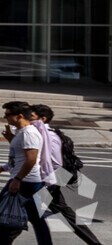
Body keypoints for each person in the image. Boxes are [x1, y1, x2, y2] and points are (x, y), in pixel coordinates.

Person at [31, 103, 102, 245]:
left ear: (42, 119)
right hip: (45, 181)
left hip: (48, 181)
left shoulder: (50, 136)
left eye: (31, 116)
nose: (28, 119)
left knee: (39, 213)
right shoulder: (38, 134)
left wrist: (46, 184)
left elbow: (57, 164)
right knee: (33, 213)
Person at [0, 101, 53, 245]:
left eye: (7, 115)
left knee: (1, 210)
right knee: (36, 218)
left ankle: (3, 242)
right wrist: (2, 168)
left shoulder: (29, 133)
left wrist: (17, 179)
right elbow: (19, 156)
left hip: (27, 181)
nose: (5, 117)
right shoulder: (21, 132)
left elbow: (31, 159)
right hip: (27, 180)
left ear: (19, 116)